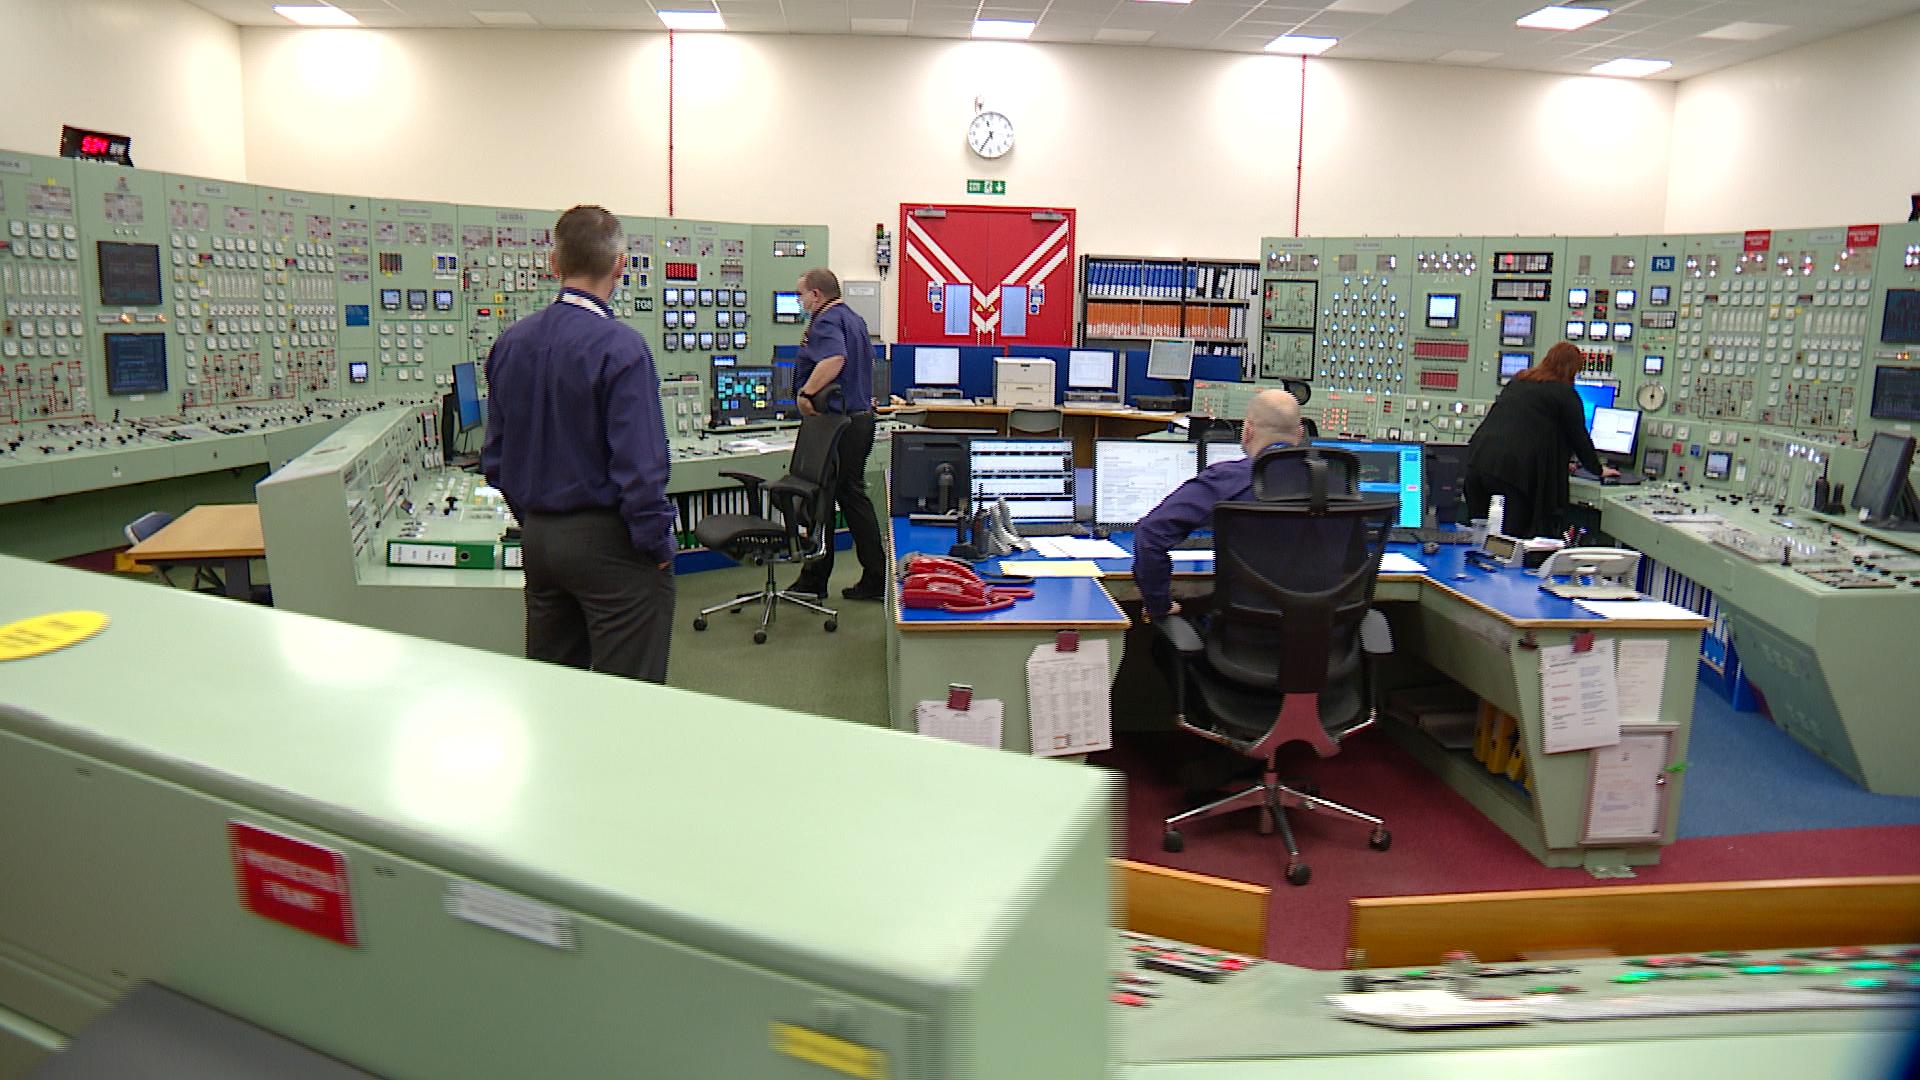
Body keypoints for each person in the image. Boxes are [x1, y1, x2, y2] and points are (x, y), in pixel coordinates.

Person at [481, 205, 675, 683]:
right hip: (610, 543)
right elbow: (640, 466)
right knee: (629, 696)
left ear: (554, 265)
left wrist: (537, 522)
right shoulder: (621, 347)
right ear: (620, 266)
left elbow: (495, 458)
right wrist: (657, 543)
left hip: (541, 541)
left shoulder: (511, 342)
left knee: (554, 689)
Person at [1133, 389, 1305, 622]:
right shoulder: (1336, 484)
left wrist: (1158, 605)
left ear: (1247, 431)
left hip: (1243, 643)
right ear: (1301, 433)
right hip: (1332, 645)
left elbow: (1150, 535)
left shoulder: (1228, 480)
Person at [789, 268, 887, 601]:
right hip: (859, 420)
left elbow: (834, 358)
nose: (800, 301)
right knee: (850, 496)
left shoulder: (826, 321)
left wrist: (805, 393)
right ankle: (874, 576)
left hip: (837, 424)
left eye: (801, 294)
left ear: (816, 295)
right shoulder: (854, 319)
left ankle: (816, 578)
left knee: (824, 498)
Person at [1464, 341, 1619, 539]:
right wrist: (1598, 469)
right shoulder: (1565, 394)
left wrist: (1563, 462)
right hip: (1512, 474)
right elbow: (1579, 439)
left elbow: (1529, 431)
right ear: (1572, 370)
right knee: (1510, 544)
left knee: (1479, 536)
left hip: (1477, 464)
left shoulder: (1519, 382)